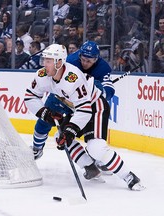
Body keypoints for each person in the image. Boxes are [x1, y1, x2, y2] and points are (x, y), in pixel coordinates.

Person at [25, 44, 144, 190]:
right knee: (61, 137)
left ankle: (129, 176)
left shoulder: (73, 78)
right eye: (44, 60)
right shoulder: (43, 75)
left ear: (59, 63)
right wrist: (44, 112)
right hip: (76, 108)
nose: (44, 64)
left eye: (49, 61)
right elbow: (30, 96)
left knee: (96, 148)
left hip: (94, 107)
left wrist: (72, 130)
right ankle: (89, 167)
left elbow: (85, 108)